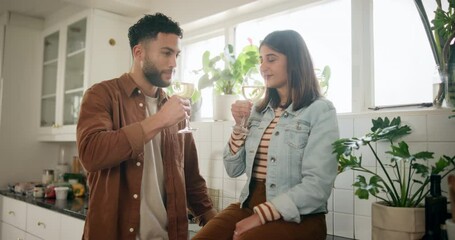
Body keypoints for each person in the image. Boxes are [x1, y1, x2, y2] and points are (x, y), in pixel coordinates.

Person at [76, 13, 217, 240]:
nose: (174, 63)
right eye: (166, 53)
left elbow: (190, 177)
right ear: (138, 52)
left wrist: (216, 222)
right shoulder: (102, 95)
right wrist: (160, 120)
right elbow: (92, 154)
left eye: (176, 54)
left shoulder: (175, 107)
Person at [192, 30, 339, 240]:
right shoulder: (259, 112)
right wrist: (239, 126)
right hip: (248, 204)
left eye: (271, 59)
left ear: (295, 61)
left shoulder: (320, 110)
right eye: (261, 60)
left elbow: (318, 186)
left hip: (299, 215)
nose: (262, 67)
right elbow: (233, 169)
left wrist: (261, 216)